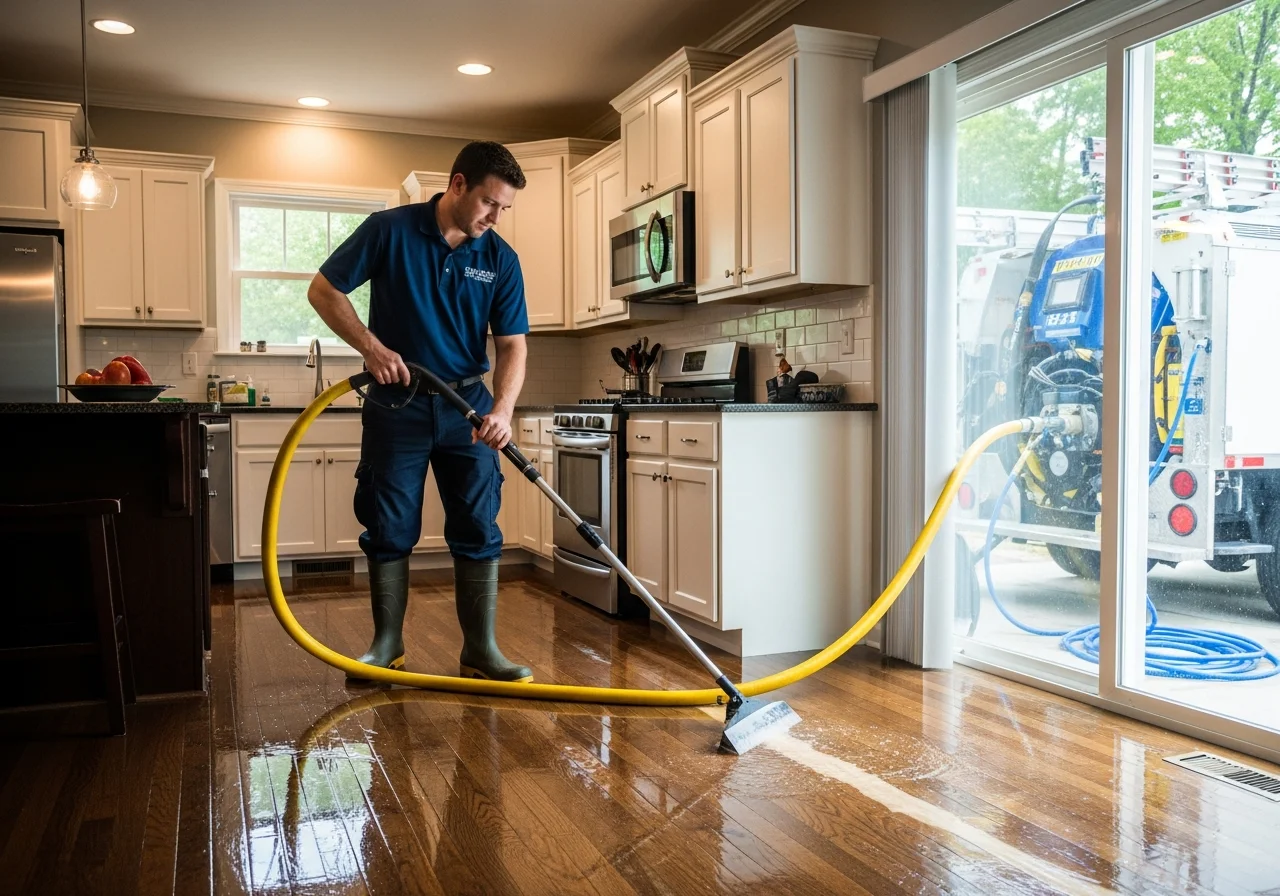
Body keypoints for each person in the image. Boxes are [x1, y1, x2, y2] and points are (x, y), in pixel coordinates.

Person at [306, 141, 532, 684]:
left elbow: (513, 346)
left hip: (468, 408)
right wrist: (370, 347)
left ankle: (481, 650)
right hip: (397, 404)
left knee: (479, 525)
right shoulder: (389, 231)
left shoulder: (500, 258)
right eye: (488, 203)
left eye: (504, 208)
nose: (495, 217)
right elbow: (323, 289)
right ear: (457, 184)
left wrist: (502, 409)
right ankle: (387, 646)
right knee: (388, 525)